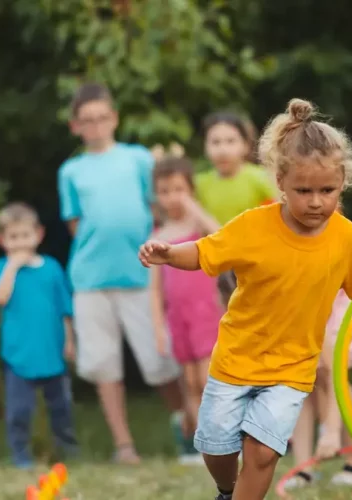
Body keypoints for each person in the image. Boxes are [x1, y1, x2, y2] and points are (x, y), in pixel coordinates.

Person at [139, 98, 352, 500]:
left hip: (292, 368)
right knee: (215, 448)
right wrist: (169, 255)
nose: (316, 201)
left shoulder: (348, 238)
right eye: (303, 191)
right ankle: (226, 489)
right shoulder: (254, 226)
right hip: (236, 358)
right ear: (280, 182)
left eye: (327, 190)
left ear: (343, 184)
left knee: (263, 452)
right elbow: (205, 252)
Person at [57, 82, 185, 465]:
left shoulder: (138, 159)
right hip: (91, 281)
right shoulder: (71, 170)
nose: (96, 126)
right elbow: (75, 224)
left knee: (159, 361)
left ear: (113, 118)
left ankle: (189, 433)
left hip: (142, 276)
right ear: (75, 126)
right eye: (87, 121)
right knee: (103, 365)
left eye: (102, 118)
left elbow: (159, 209)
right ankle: (124, 446)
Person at [0, 202, 78, 469]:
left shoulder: (51, 268)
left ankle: (68, 450)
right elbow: (0, 298)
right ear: (2, 240)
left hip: (52, 351)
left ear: (38, 234)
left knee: (61, 407)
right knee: (19, 411)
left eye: (25, 236)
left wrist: (70, 341)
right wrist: (12, 267)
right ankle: (21, 455)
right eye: (13, 237)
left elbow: (65, 310)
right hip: (18, 355)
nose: (20, 243)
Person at [150, 155, 224, 465]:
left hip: (205, 312)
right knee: (190, 382)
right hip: (177, 318)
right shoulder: (158, 235)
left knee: (209, 379)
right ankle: (199, 443)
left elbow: (221, 237)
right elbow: (155, 290)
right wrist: (158, 328)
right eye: (165, 191)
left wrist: (195, 208)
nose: (172, 197)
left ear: (190, 189)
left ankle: (223, 440)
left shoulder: (198, 226)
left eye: (179, 189)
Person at [284, 289, 352, 490]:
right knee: (302, 381)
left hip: (334, 309)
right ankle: (304, 469)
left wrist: (331, 431)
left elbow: (336, 371)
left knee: (329, 374)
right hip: (306, 304)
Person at [196, 111, 279, 306]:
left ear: (246, 145)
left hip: (256, 264)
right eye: (215, 142)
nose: (223, 150)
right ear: (205, 147)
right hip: (218, 268)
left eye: (230, 141)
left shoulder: (259, 178)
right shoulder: (200, 184)